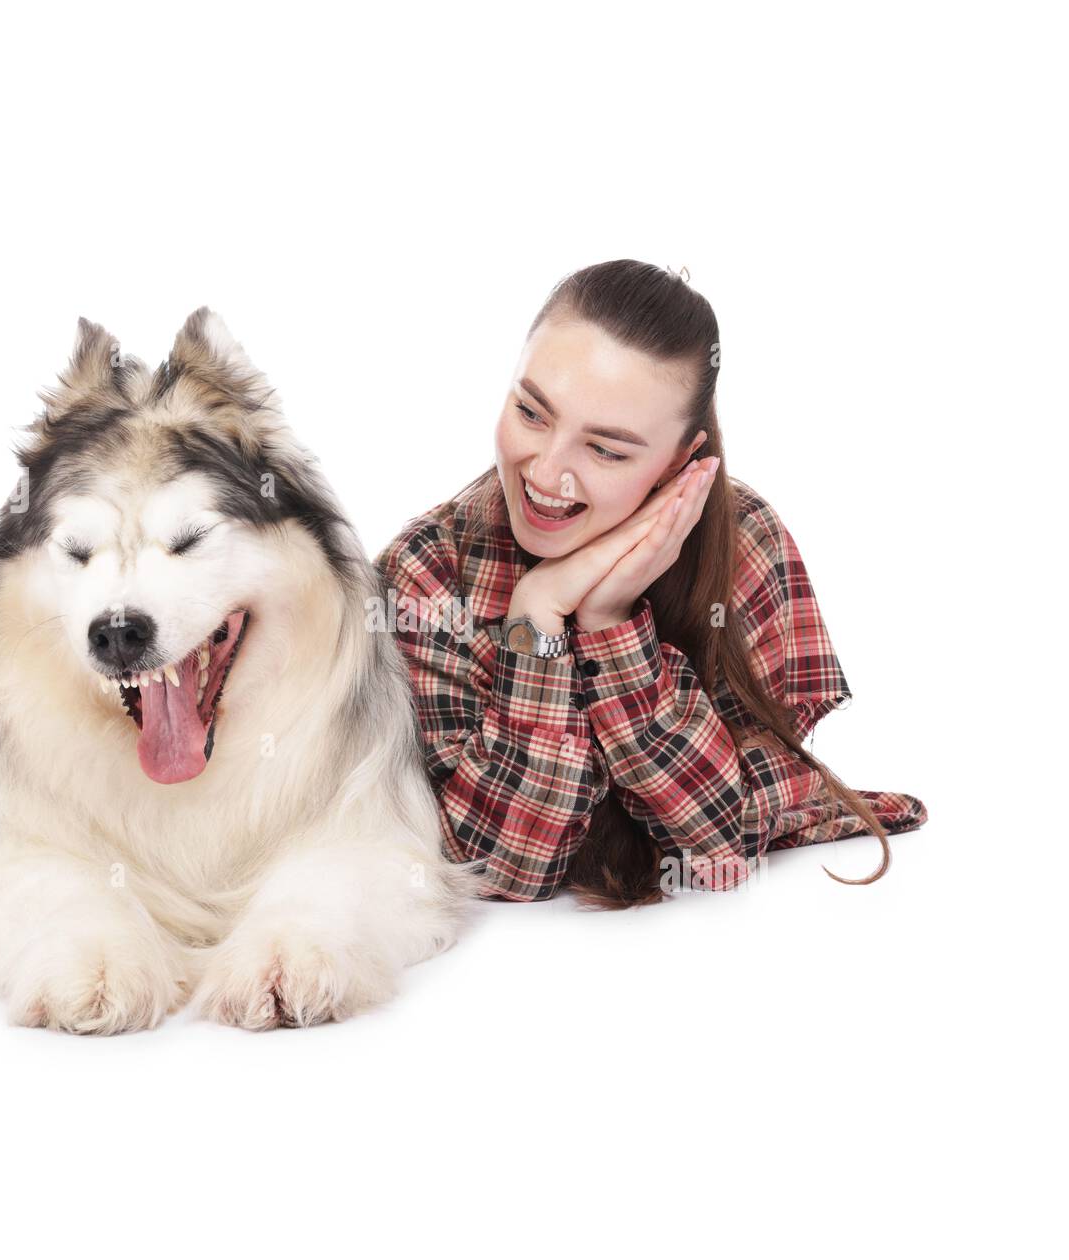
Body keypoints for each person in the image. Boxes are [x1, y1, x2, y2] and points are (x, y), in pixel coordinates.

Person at [372, 258, 927, 908]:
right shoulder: (430, 568)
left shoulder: (745, 541)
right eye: (531, 412)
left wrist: (610, 619)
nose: (548, 474)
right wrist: (538, 615)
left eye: (605, 450)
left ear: (679, 462)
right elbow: (494, 865)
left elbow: (720, 847)